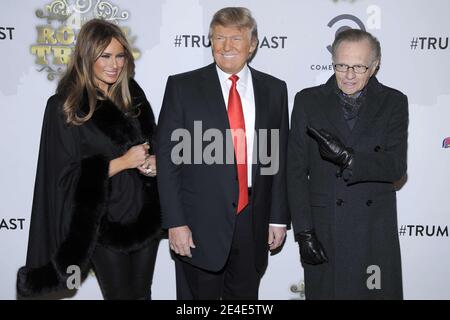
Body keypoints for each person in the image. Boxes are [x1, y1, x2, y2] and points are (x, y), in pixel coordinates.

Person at [16, 19, 161, 300]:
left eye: (120, 56)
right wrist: (123, 162)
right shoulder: (64, 106)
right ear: (86, 56)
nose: (114, 64)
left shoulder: (134, 95)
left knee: (143, 295)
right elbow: (62, 178)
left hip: (145, 218)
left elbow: (152, 146)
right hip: (103, 223)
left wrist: (154, 164)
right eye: (104, 56)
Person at [156, 7, 289, 300]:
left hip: (253, 219)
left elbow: (276, 160)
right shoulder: (182, 87)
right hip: (198, 221)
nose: (226, 46)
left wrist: (278, 217)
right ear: (210, 41)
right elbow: (168, 162)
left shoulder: (274, 90)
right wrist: (175, 223)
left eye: (236, 39)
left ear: (252, 45)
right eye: (219, 38)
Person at [287, 28, 408, 299]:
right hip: (324, 229)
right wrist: (304, 232)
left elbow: (396, 166)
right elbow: (294, 173)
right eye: (342, 65)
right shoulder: (308, 100)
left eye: (359, 66)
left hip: (373, 231)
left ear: (375, 66)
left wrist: (348, 159)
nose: (349, 75)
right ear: (333, 62)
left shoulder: (394, 102)